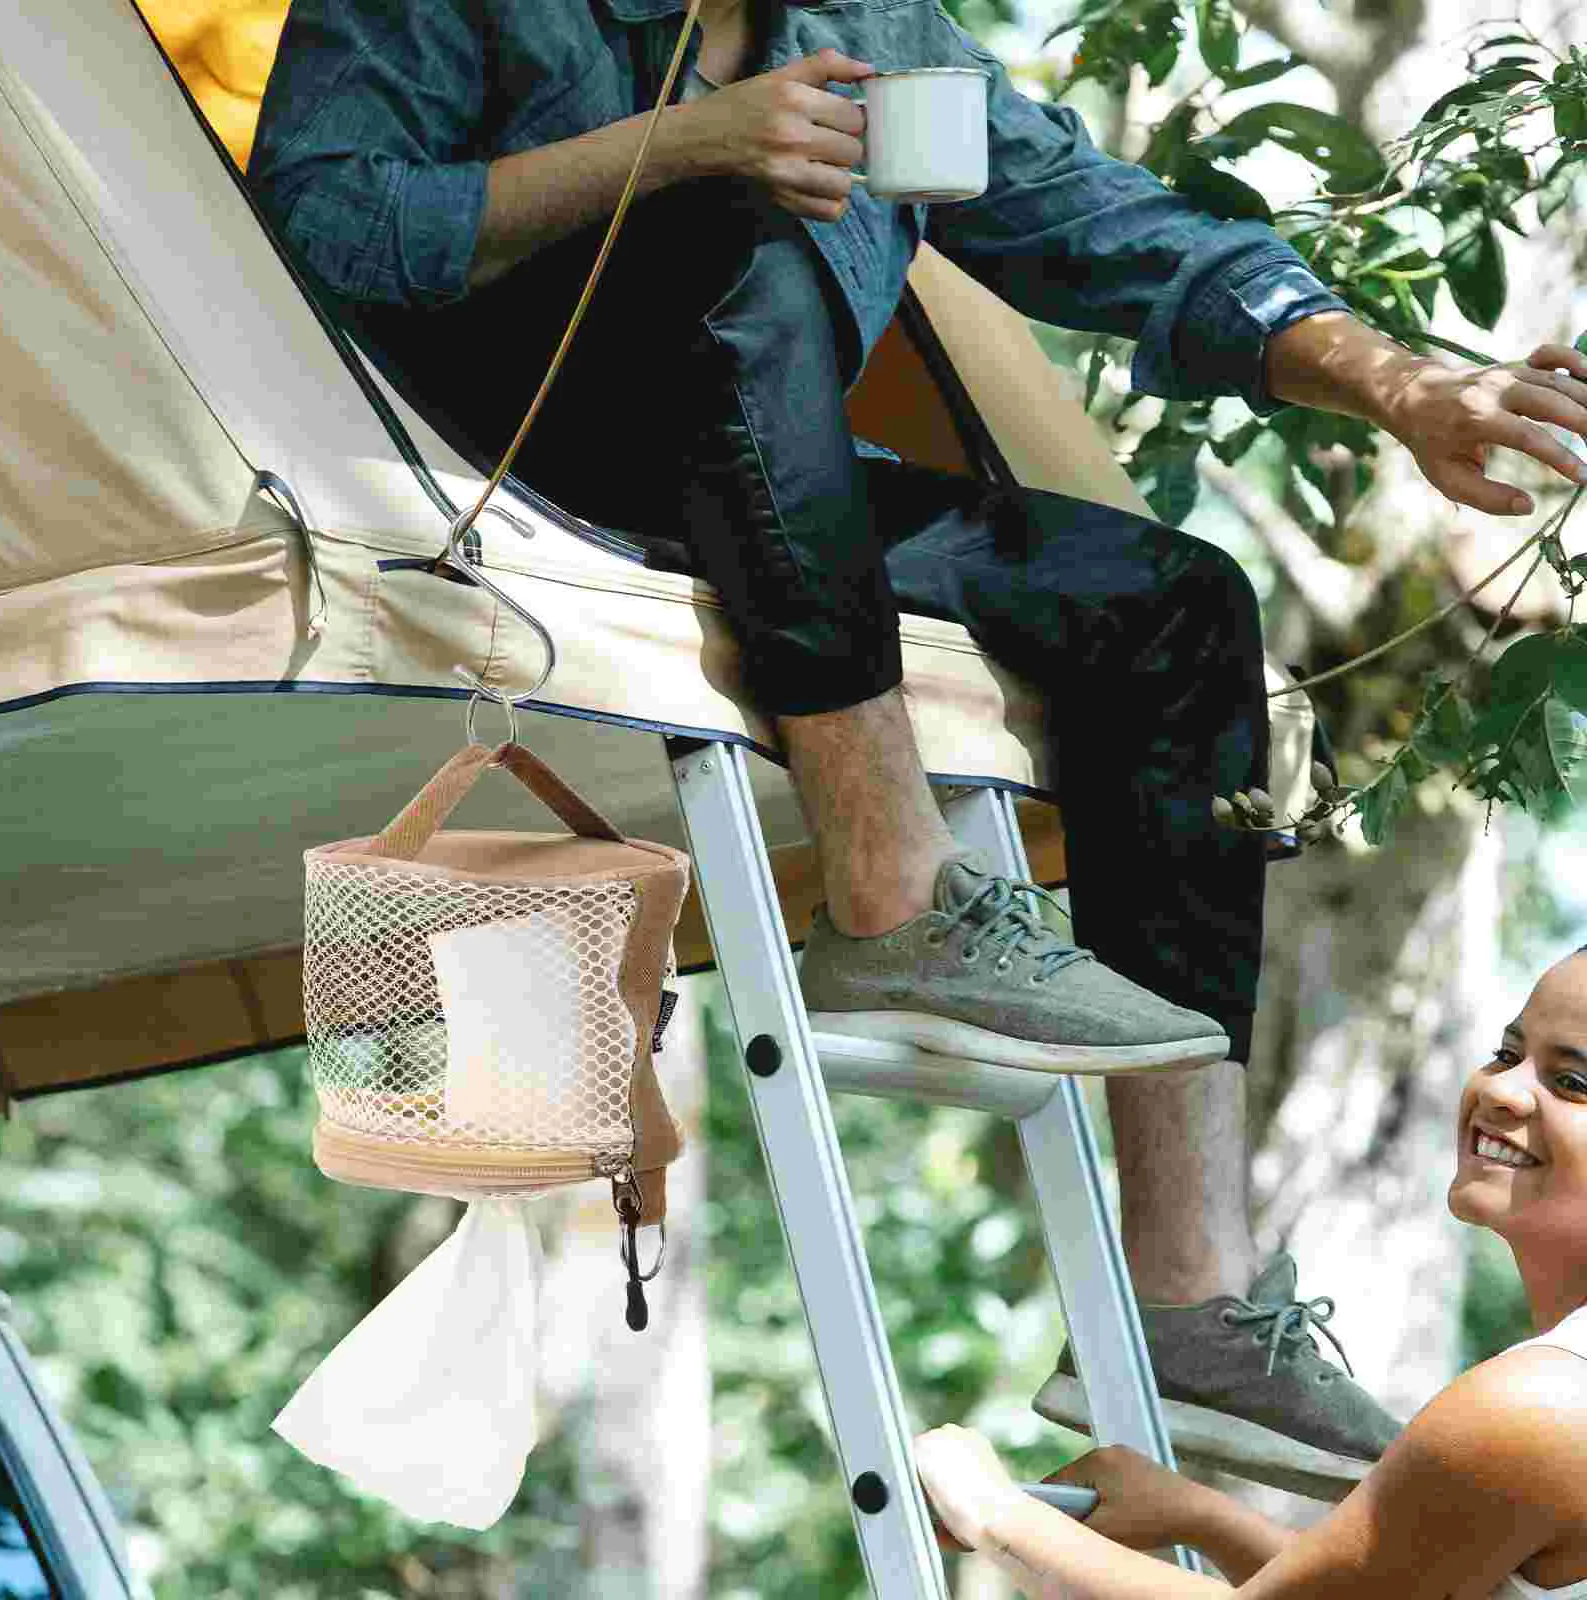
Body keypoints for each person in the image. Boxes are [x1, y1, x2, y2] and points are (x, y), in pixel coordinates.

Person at [246, 0, 1587, 1489]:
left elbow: (1103, 221)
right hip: (483, 466)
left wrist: (1400, 383)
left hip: (765, 473)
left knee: (1178, 606)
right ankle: (893, 896)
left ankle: (1192, 1302)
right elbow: (321, 223)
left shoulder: (872, 25)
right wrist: (677, 146)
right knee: (739, 231)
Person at [917, 942, 1587, 1596]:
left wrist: (996, 1513)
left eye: (1572, 1082)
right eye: (1506, 1054)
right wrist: (1202, 1516)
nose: (1501, 1090)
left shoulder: (1540, 1406)